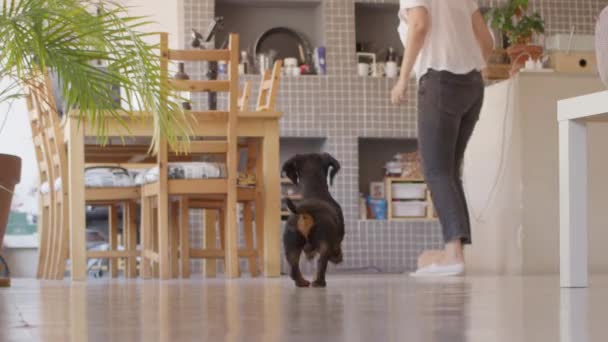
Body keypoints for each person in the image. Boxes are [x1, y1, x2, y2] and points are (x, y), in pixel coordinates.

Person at [391, 0, 494, 276]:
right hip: (472, 86)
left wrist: (402, 79)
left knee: (436, 171)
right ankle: (455, 251)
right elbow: (486, 39)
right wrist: (476, 66)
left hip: (440, 83)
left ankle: (453, 254)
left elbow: (419, 25)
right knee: (449, 172)